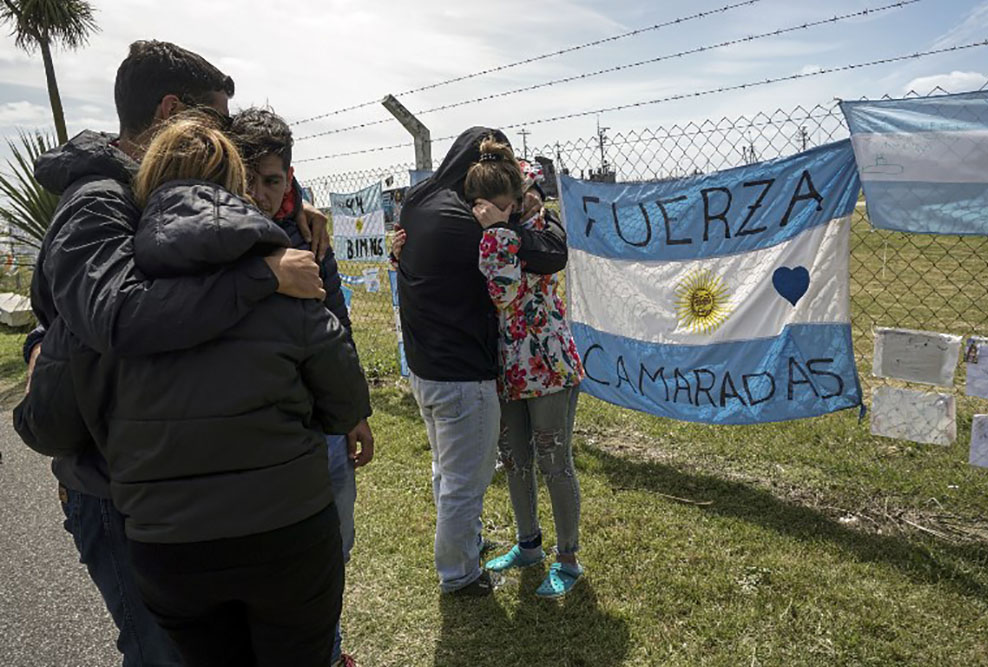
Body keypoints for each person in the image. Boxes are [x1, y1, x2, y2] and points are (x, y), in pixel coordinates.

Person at [20, 113, 371, 666]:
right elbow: (344, 401)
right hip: (289, 531)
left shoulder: (107, 295)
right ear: (236, 185)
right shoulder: (285, 275)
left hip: (168, 546)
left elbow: (49, 425)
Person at [393, 150, 586, 597]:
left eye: (492, 201)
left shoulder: (534, 230)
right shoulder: (483, 233)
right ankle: (529, 544)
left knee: (554, 461)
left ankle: (568, 559)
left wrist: (499, 231)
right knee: (516, 462)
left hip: (546, 363)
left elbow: (503, 291)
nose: (478, 210)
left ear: (517, 200)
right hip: (504, 364)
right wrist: (401, 252)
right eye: (475, 200)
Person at [231, 106, 371, 667]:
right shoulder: (211, 238)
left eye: (273, 181)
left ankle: (328, 647)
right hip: (258, 430)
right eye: (250, 180)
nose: (261, 195)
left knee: (335, 544)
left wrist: (353, 409)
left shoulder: (308, 231)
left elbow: (337, 320)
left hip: (322, 422)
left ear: (290, 179)